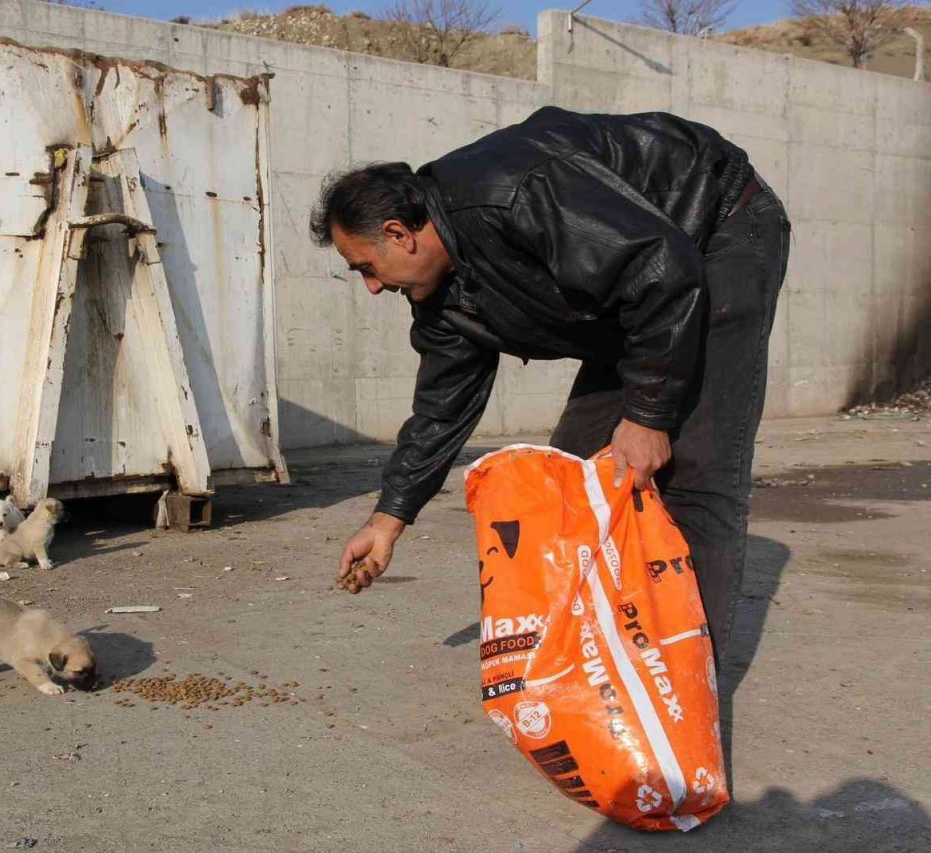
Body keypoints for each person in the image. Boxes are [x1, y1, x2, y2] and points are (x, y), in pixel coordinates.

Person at [311, 105, 791, 667]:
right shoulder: (440, 295)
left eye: (366, 266)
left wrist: (648, 417)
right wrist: (387, 521)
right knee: (569, 477)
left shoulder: (513, 191)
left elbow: (661, 266)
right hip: (643, 290)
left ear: (400, 234)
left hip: (714, 227)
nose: (371, 287)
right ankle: (602, 661)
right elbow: (442, 410)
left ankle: (682, 691)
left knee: (694, 473)